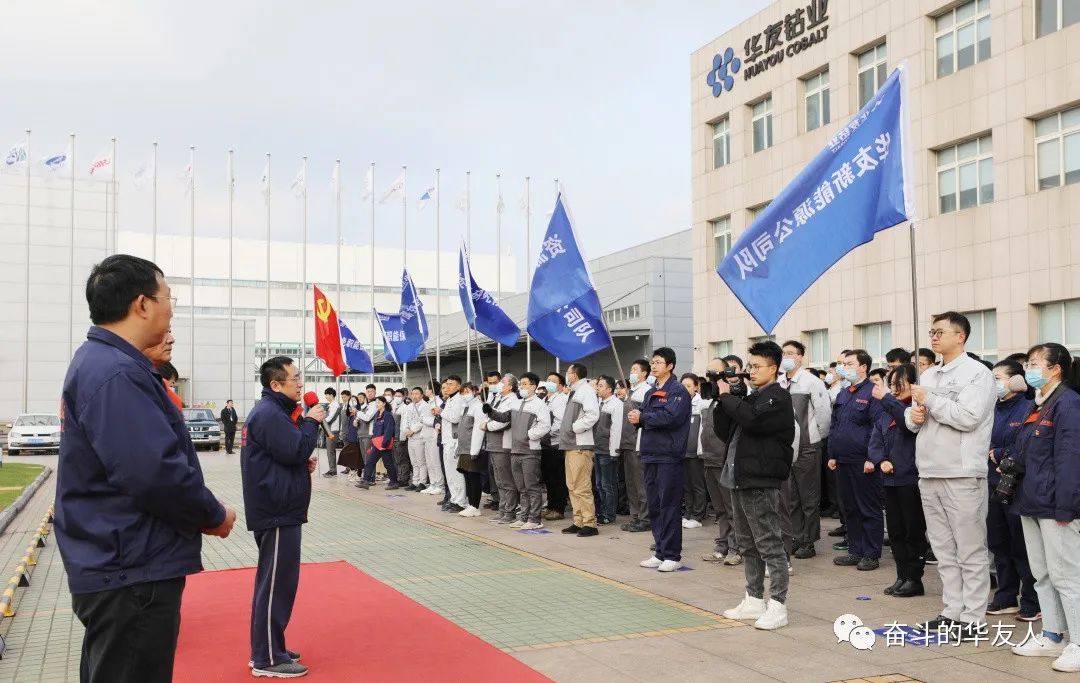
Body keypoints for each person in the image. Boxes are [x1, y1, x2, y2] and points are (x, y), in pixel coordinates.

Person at [56, 255, 236, 683]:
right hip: (131, 565)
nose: (171, 309)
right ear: (142, 304)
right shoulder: (116, 372)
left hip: (119, 558)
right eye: (168, 298)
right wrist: (213, 515)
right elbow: (153, 472)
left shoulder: (104, 362)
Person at [907, 311, 996, 639]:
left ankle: (973, 618)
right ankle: (951, 611)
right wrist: (914, 415)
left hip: (961, 472)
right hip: (929, 471)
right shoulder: (928, 374)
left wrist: (930, 399)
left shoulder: (977, 374)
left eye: (940, 332)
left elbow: (969, 417)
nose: (933, 337)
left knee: (970, 549)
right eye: (931, 332)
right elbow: (914, 420)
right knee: (943, 548)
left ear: (960, 336)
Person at [241, 356, 324, 678]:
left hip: (279, 506)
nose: (300, 384)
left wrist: (300, 463)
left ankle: (271, 646)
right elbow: (294, 450)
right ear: (275, 384)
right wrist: (311, 422)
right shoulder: (270, 414)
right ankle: (266, 658)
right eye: (295, 378)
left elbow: (286, 454)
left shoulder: (272, 412)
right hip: (276, 510)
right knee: (275, 585)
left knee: (278, 583)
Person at [1008, 343, 1080, 671]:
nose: (1029, 369)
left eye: (1035, 363)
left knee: (1067, 575)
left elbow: (1070, 459)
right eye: (1028, 363)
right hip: (1031, 502)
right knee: (1043, 575)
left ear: (1056, 369)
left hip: (1056, 505)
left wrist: (1067, 506)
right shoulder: (1039, 403)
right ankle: (1053, 635)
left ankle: (1078, 641)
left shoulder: (1069, 403)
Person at [715, 340, 795, 630]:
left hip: (761, 479)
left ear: (774, 368)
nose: (751, 371)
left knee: (769, 544)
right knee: (747, 543)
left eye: (757, 366)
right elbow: (724, 430)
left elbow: (753, 421)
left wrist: (729, 398)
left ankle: (778, 605)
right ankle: (753, 599)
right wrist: (723, 400)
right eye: (750, 366)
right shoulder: (751, 397)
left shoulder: (777, 397)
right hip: (740, 478)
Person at [630, 347, 693, 572]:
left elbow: (671, 417)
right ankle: (660, 551)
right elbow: (646, 417)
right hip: (650, 453)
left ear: (670, 366)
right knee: (655, 505)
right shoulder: (650, 392)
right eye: (653, 362)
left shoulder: (677, 391)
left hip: (669, 456)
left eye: (658, 362)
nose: (654, 366)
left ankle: (673, 555)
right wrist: (636, 418)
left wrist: (643, 417)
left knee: (669, 505)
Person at [986, 360, 1040, 621]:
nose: (993, 383)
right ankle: (1006, 596)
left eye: (998, 378)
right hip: (992, 483)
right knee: (999, 543)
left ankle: (1031, 600)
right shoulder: (991, 408)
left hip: (1017, 485)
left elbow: (1028, 444)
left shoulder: (1028, 407)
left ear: (1016, 380)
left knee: (1022, 546)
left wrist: (1001, 453)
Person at [868, 363, 927, 598]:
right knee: (895, 531)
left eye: (898, 384)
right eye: (891, 384)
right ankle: (901, 575)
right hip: (890, 479)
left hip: (910, 478)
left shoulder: (915, 408)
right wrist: (880, 459)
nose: (893, 389)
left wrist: (886, 399)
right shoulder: (886, 410)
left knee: (913, 530)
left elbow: (907, 425)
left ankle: (914, 578)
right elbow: (875, 439)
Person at [827, 349, 885, 572]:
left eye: (850, 364)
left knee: (868, 508)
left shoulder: (873, 392)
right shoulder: (844, 393)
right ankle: (855, 549)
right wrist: (832, 454)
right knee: (849, 507)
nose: (845, 368)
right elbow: (835, 425)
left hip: (863, 461)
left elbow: (878, 427)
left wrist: (873, 458)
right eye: (843, 364)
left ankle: (871, 553)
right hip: (843, 459)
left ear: (863, 367)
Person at [778, 340, 831, 560]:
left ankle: (808, 541)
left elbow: (824, 415)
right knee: (790, 497)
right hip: (785, 447)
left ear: (800, 357)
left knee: (808, 497)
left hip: (808, 446)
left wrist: (816, 437)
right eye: (784, 353)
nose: (786, 357)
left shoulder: (812, 382)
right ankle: (795, 537)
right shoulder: (780, 382)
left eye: (791, 353)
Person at [485, 372, 552, 529]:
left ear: (534, 386)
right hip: (515, 450)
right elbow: (504, 418)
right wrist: (490, 412)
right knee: (521, 487)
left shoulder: (539, 405)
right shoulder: (517, 403)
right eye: (521, 384)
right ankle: (524, 516)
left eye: (525, 384)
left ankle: (534, 519)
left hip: (530, 451)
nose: (521, 387)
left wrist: (529, 436)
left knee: (532, 486)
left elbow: (545, 426)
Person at [700, 358, 742, 565]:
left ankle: (736, 548)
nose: (711, 376)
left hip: (724, 460)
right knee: (719, 509)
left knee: (732, 508)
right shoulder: (711, 397)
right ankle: (722, 545)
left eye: (715, 372)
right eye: (709, 372)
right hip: (709, 459)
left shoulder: (732, 397)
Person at [559, 363, 601, 537]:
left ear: (574, 375)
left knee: (582, 486)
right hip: (570, 444)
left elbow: (592, 414)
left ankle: (590, 523)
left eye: (568, 372)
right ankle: (578, 521)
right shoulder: (576, 391)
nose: (566, 375)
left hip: (580, 445)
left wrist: (576, 427)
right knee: (572, 485)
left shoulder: (586, 391)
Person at [480, 374, 522, 524]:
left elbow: (504, 422)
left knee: (506, 480)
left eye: (503, 382)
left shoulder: (512, 400)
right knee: (499, 480)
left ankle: (509, 512)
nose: (499, 385)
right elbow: (489, 414)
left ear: (510, 387)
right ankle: (503, 509)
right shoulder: (498, 397)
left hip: (503, 444)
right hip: (493, 443)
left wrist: (487, 426)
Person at [620, 359, 653, 533]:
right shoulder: (631, 392)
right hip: (627, 442)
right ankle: (635, 516)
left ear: (644, 373)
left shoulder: (646, 391)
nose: (631, 372)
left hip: (637, 443)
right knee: (631, 484)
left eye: (635, 369)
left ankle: (645, 518)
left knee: (641, 484)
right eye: (631, 369)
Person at [434, 375, 469, 512]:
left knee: (456, 473)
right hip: (446, 440)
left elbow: (455, 418)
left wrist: (441, 412)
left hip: (455, 441)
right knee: (449, 473)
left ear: (458, 386)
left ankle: (460, 501)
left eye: (451, 384)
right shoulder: (449, 400)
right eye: (447, 384)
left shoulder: (460, 400)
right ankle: (454, 499)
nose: (447, 387)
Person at [593, 375, 624, 526]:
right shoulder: (599, 403)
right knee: (599, 484)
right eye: (597, 385)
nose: (598, 388)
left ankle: (609, 514)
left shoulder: (616, 404)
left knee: (608, 484)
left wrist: (614, 451)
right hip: (597, 449)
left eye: (601, 386)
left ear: (609, 389)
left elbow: (616, 429)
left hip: (608, 450)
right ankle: (602, 511)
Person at [541, 372, 570, 520]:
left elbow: (560, 421)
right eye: (548, 380)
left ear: (560, 386)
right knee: (548, 477)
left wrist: (548, 433)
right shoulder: (544, 399)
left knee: (557, 478)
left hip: (555, 443)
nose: (549, 382)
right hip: (544, 444)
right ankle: (551, 506)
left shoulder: (561, 399)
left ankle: (558, 508)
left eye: (553, 381)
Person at [456, 383, 487, 517]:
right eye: (462, 392)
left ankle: (475, 506)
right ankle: (470, 504)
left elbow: (478, 430)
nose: (465, 395)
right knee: (467, 476)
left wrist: (475, 450)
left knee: (474, 477)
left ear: (474, 391)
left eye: (467, 391)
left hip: (472, 448)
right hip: (464, 448)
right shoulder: (466, 407)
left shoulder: (478, 407)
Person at [680, 373, 707, 529]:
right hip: (682, 452)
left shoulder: (701, 404)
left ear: (696, 387)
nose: (685, 389)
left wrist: (700, 450)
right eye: (683, 386)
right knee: (686, 485)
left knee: (697, 484)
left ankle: (698, 515)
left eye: (689, 386)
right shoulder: (679, 404)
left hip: (695, 452)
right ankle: (688, 513)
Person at [356, 397, 399, 490]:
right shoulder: (377, 415)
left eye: (379, 402)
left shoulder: (387, 415)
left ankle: (394, 482)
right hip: (376, 444)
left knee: (388, 464)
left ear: (384, 404)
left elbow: (389, 431)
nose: (377, 404)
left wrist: (384, 444)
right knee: (370, 462)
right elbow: (375, 431)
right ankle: (366, 481)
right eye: (376, 402)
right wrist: (373, 444)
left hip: (384, 444)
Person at [403, 387, 434, 492]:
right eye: (413, 394)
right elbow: (405, 419)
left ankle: (422, 482)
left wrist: (413, 430)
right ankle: (415, 482)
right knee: (414, 462)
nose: (414, 396)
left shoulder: (425, 406)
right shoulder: (409, 406)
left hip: (419, 436)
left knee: (421, 461)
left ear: (421, 395)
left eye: (416, 394)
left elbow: (422, 421)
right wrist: (406, 430)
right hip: (410, 437)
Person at [338, 395, 364, 481]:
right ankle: (353, 470)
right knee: (350, 455)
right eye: (351, 401)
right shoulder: (348, 413)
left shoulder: (359, 412)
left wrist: (357, 418)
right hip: (350, 436)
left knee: (358, 456)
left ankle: (358, 474)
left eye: (354, 400)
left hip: (357, 437)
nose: (353, 402)